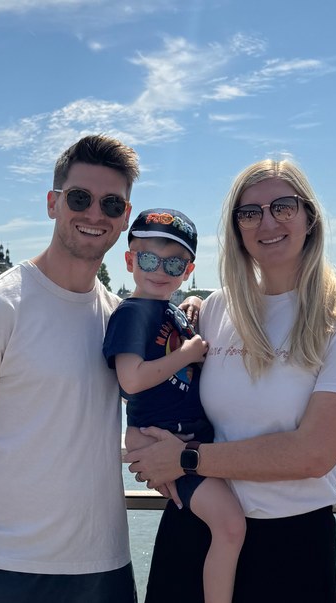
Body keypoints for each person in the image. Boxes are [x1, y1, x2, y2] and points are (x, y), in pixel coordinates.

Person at [124, 158, 336, 602]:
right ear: (237, 229)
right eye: (250, 213)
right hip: (196, 528)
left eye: (283, 207)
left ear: (310, 217)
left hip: (290, 547)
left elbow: (313, 454)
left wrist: (187, 460)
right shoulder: (214, 310)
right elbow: (158, 391)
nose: (267, 222)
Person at [0, 134, 140, 603]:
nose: (94, 215)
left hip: (105, 566)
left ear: (124, 218)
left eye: (111, 204)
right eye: (80, 198)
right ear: (53, 203)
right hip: (3, 567)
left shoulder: (118, 318)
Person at [103, 208, 246, 603]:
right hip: (165, 442)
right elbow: (130, 379)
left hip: (184, 441)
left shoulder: (166, 310)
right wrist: (186, 354)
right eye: (149, 259)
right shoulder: (131, 314)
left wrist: (195, 304)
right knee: (231, 526)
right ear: (130, 260)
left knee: (221, 526)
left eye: (175, 262)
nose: (160, 270)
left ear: (189, 268)